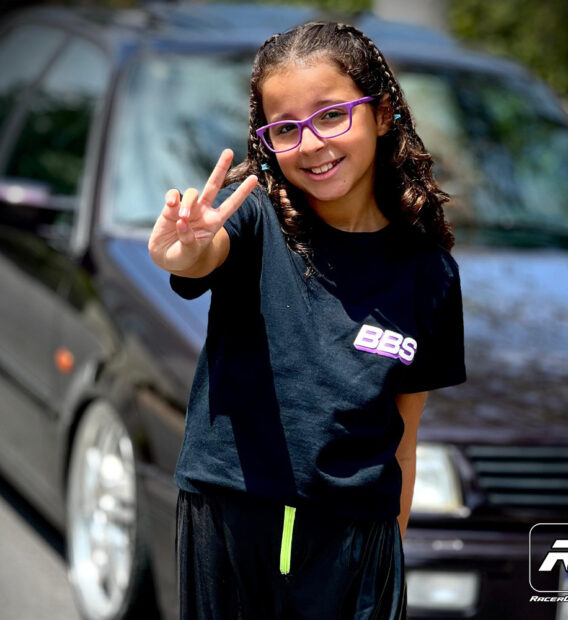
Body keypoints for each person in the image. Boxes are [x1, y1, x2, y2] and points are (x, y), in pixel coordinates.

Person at [148, 20, 466, 620]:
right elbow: (201, 257)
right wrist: (184, 249)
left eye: (331, 115)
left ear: (382, 112)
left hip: (356, 546)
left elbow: (404, 439)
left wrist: (388, 548)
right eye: (287, 129)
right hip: (231, 522)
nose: (313, 144)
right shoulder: (254, 221)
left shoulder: (429, 274)